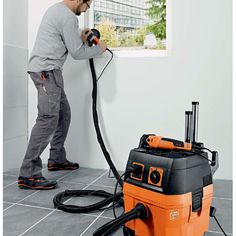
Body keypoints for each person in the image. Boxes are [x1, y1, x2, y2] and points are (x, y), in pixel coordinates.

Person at [18, 0, 107, 190]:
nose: (88, 8)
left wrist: (80, 39)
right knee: (48, 119)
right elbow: (76, 52)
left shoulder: (58, 10)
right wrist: (101, 48)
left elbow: (65, 41)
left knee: (63, 113)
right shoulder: (67, 16)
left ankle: (56, 158)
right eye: (87, 3)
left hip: (49, 71)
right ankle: (28, 174)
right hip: (46, 71)